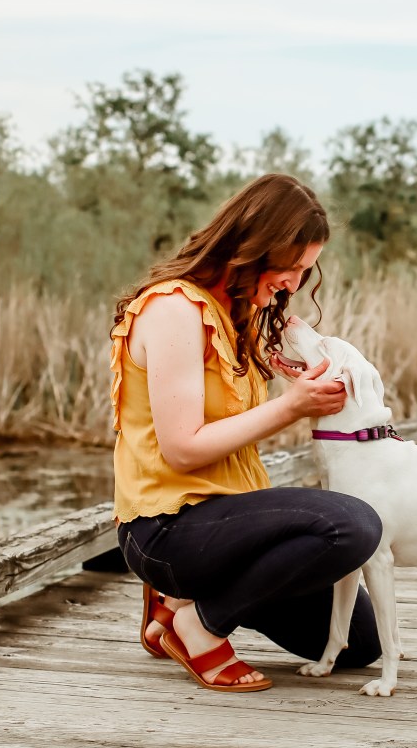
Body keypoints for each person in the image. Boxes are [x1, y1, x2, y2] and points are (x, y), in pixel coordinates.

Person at [110, 173, 382, 692]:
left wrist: (298, 384)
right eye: (292, 266)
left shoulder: (237, 314)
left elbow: (231, 419)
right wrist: (290, 408)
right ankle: (199, 624)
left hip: (230, 524)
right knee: (354, 525)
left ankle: (173, 606)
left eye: (306, 270)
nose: (295, 283)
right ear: (256, 246)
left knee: (355, 643)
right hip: (168, 526)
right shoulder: (173, 309)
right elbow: (184, 449)